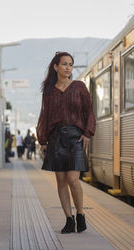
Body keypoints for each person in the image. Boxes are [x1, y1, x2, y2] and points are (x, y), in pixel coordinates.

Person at [37, 52, 96, 234]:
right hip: (55, 138)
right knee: (61, 180)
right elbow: (44, 115)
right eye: (64, 64)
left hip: (75, 137)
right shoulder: (49, 90)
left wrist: (87, 133)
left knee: (73, 179)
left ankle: (80, 214)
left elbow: (89, 112)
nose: (68, 67)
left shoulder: (79, 87)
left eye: (71, 64)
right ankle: (69, 220)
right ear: (56, 67)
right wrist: (42, 140)